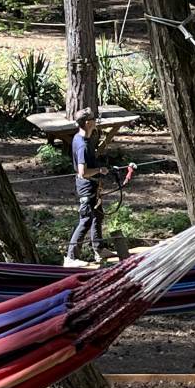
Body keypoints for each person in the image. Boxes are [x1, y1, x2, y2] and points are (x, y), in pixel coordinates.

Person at [63, 108, 115, 268]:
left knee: (98, 216)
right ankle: (71, 257)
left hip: (92, 185)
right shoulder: (82, 146)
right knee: (86, 220)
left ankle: (99, 249)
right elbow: (83, 172)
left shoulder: (82, 138)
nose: (95, 121)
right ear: (87, 123)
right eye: (93, 119)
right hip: (86, 186)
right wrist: (100, 170)